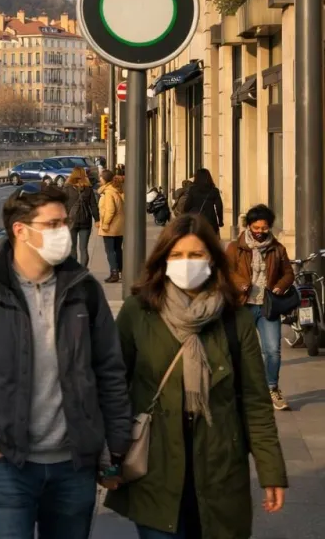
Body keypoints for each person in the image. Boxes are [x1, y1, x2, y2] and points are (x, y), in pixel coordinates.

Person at [0, 184, 132, 539]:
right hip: (6, 465)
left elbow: (110, 371)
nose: (64, 232)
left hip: (75, 465)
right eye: (53, 224)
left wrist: (115, 446)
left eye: (65, 223)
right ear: (20, 231)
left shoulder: (85, 290)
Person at [105, 214, 287, 538]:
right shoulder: (138, 311)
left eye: (196, 255)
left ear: (213, 260)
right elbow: (113, 388)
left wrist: (271, 471)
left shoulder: (235, 319)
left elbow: (257, 403)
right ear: (163, 260)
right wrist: (109, 457)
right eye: (176, 255)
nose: (185, 263)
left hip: (220, 466)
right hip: (154, 467)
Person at [225, 204, 295, 411]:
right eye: (256, 228)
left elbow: (288, 273)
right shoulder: (234, 248)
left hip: (267, 307)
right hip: (242, 305)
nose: (260, 232)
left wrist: (281, 286)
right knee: (238, 350)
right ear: (248, 226)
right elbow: (226, 272)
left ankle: (272, 388)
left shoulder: (277, 249)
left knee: (273, 351)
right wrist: (241, 284)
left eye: (264, 228)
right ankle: (237, 391)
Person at [63, 167, 98, 268]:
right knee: (84, 248)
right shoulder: (88, 189)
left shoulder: (67, 188)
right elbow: (93, 205)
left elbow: (63, 205)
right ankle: (83, 270)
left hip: (71, 221)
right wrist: (97, 219)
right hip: (85, 221)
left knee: (72, 247)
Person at [98, 170, 125, 284]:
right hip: (119, 225)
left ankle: (114, 273)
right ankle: (121, 271)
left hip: (111, 225)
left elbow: (110, 210)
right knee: (118, 249)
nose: (99, 179)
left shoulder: (108, 192)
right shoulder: (118, 190)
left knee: (110, 250)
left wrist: (105, 224)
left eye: (100, 177)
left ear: (104, 179)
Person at [181, 169, 224, 236]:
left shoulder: (192, 190)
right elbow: (219, 207)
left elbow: (187, 206)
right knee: (213, 243)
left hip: (195, 221)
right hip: (210, 222)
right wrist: (220, 221)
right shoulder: (214, 191)